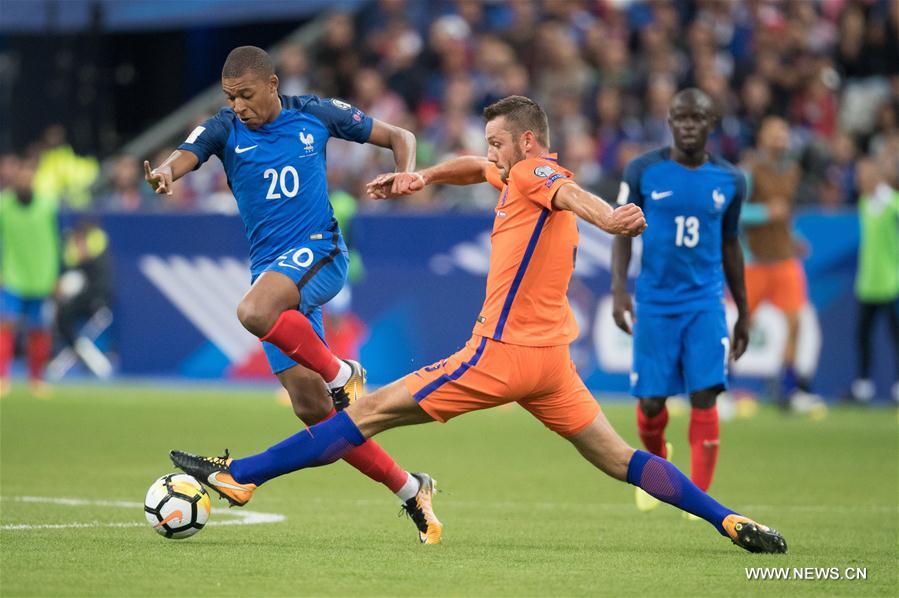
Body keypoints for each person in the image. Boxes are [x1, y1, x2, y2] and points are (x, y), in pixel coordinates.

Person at [171, 95, 787, 554]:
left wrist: (611, 220)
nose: (490, 153)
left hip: (498, 355)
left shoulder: (536, 173)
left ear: (525, 141)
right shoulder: (511, 174)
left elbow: (571, 193)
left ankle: (240, 476)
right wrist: (425, 175)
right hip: (552, 364)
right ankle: (728, 519)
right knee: (620, 457)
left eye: (497, 141)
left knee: (363, 414)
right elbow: (473, 167)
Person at [144, 46, 438, 543]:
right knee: (318, 415)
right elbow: (184, 154)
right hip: (275, 277)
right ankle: (411, 489)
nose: (238, 106)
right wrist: (167, 173)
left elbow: (398, 135)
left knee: (253, 311)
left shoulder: (314, 115)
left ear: (274, 84)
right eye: (231, 97)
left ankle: (342, 371)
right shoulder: (224, 128)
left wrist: (407, 172)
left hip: (319, 254)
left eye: (246, 95)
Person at [611, 89, 749, 514]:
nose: (688, 125)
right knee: (651, 404)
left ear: (712, 124)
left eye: (697, 118)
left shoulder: (731, 180)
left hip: (705, 302)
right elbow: (621, 229)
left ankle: (698, 501)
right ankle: (661, 468)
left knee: (705, 394)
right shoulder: (642, 171)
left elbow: (730, 245)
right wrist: (619, 290)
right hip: (654, 303)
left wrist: (743, 309)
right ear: (669, 122)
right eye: (681, 118)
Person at [740, 117, 818, 408]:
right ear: (762, 138)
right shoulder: (749, 172)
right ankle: (721, 387)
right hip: (754, 261)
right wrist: (764, 213)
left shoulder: (793, 171)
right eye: (774, 135)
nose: (780, 140)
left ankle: (788, 391)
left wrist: (793, 236)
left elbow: (784, 214)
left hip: (784, 258)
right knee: (742, 326)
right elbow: (734, 214)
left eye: (783, 135)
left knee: (796, 322)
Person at [0, 156, 59, 398]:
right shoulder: (3, 206)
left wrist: (56, 275)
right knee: (6, 326)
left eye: (28, 176)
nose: (24, 180)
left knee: (39, 330)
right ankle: (3, 379)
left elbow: (57, 240)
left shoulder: (47, 205)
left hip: (42, 278)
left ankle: (37, 380)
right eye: (20, 176)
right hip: (13, 277)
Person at [850, 157, 899, 403]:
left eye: (864, 175)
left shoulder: (894, 205)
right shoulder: (863, 203)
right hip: (867, 283)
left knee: (896, 336)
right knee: (863, 337)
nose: (859, 180)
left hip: (892, 281)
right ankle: (863, 386)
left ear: (876, 177)